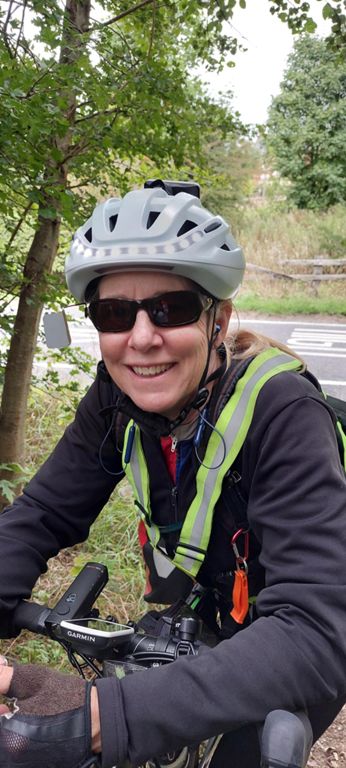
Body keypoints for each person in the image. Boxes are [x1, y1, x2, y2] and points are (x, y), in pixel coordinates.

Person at [0, 180, 345, 768]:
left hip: (292, 634)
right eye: (114, 313)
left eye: (171, 309)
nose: (141, 338)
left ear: (219, 318)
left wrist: (103, 718)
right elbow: (42, 516)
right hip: (202, 608)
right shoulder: (113, 399)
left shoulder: (284, 412)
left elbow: (315, 630)